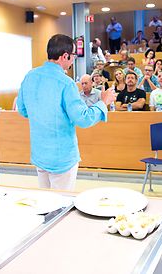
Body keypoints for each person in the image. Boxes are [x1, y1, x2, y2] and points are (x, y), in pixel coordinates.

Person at [17, 34, 115, 190]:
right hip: (61, 156)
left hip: (40, 152)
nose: (73, 60)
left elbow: (22, 110)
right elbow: (83, 119)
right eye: (74, 56)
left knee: (46, 201)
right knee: (61, 205)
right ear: (65, 56)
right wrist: (104, 102)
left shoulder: (30, 76)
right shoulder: (66, 83)